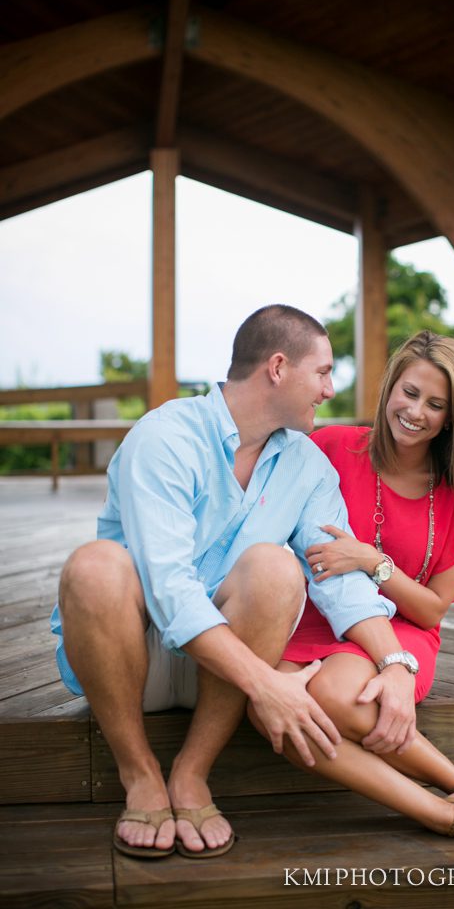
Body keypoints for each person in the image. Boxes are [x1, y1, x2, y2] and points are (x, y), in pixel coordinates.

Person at [50, 305, 419, 860]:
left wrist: (395, 666)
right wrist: (268, 686)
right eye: (322, 371)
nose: (329, 387)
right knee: (95, 565)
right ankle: (141, 773)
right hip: (128, 664)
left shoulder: (308, 466)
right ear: (278, 367)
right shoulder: (166, 436)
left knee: (275, 566)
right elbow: (170, 588)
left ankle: (192, 774)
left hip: (223, 678)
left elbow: (338, 578)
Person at [250, 330, 454, 846]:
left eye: (436, 404)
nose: (417, 412)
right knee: (274, 712)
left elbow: (432, 609)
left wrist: (373, 561)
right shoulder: (329, 448)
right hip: (318, 614)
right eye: (410, 393)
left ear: (452, 417)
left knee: (328, 693)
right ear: (390, 388)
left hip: (403, 628)